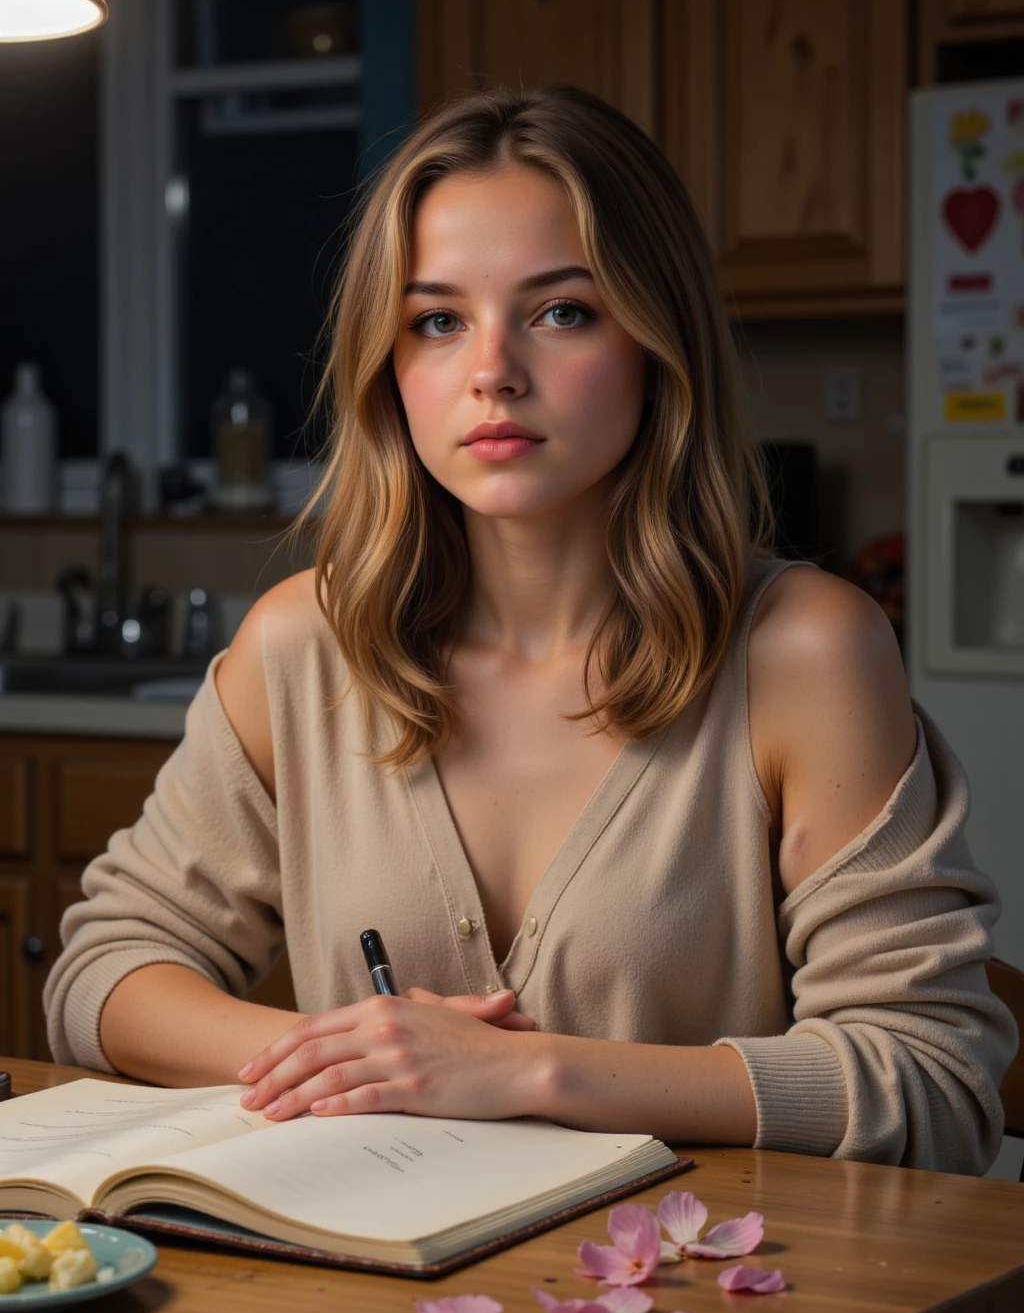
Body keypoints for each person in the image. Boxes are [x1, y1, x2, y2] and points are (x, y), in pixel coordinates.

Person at [45, 86, 1016, 1173]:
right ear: (389, 366)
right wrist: (358, 1058)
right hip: (382, 1305)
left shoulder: (804, 652)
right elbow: (103, 968)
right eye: (437, 321)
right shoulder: (301, 646)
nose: (492, 371)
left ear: (657, 343)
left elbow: (930, 1081)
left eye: (562, 311)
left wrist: (525, 1072)